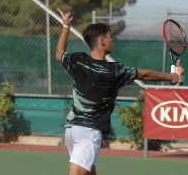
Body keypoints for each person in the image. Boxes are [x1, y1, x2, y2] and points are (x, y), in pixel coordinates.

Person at [56, 9, 179, 175]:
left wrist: (66, 26)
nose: (113, 40)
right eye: (110, 37)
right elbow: (144, 74)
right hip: (88, 132)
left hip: (71, 130)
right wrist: (170, 77)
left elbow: (59, 54)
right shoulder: (114, 71)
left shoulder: (78, 60)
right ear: (102, 41)